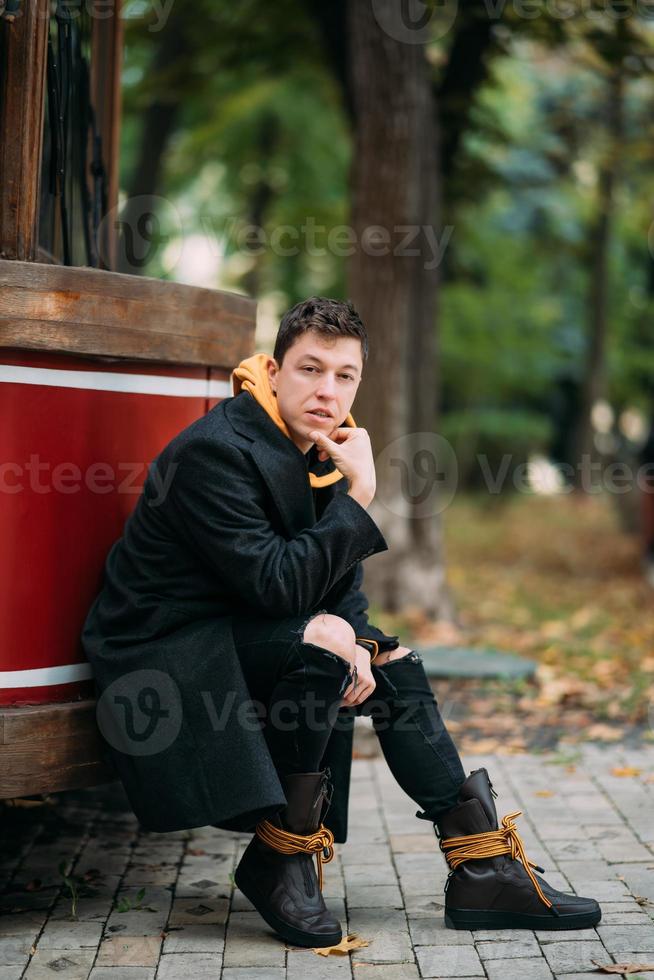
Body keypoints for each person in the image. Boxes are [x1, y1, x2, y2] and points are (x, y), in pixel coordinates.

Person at [82, 296, 601, 948]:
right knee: (324, 645)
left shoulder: (325, 447)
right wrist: (359, 499)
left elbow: (339, 586)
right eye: (310, 369)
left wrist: (359, 639)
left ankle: (483, 866)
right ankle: (282, 856)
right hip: (163, 647)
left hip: (236, 628)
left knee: (391, 658)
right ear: (273, 371)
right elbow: (278, 585)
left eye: (345, 375)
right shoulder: (216, 451)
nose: (328, 391)